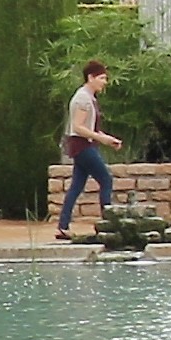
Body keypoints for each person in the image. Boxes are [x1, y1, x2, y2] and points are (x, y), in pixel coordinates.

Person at [57, 57, 118, 233]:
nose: (105, 82)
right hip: (82, 146)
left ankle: (63, 226)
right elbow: (78, 127)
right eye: (102, 78)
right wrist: (100, 139)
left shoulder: (89, 97)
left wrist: (107, 139)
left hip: (83, 145)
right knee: (106, 179)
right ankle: (108, 224)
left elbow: (90, 127)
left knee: (77, 186)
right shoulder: (82, 98)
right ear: (90, 77)